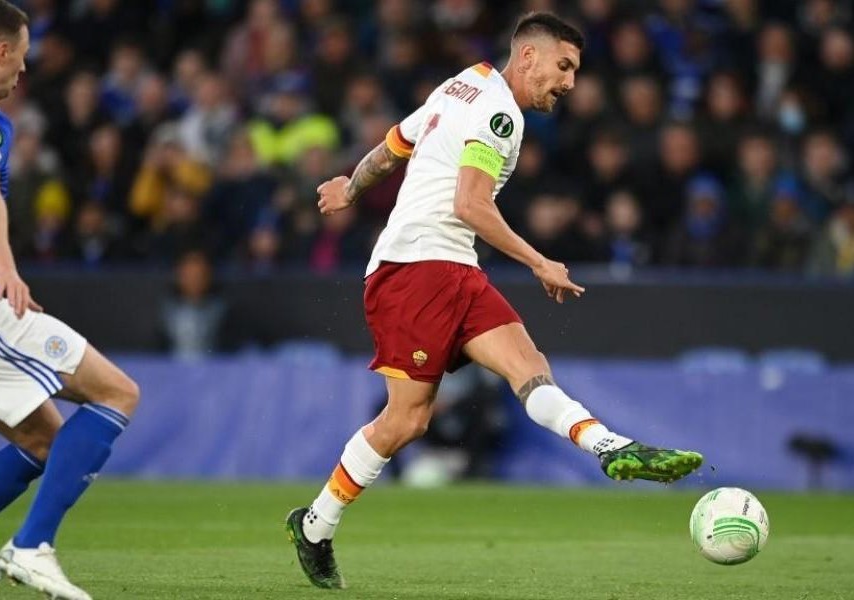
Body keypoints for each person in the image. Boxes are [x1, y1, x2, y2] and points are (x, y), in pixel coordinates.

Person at [285, 11, 703, 590]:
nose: (570, 83)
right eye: (564, 66)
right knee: (407, 420)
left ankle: (613, 448)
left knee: (530, 371)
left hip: (453, 267)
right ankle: (315, 524)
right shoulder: (500, 113)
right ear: (527, 55)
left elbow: (392, 147)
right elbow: (470, 205)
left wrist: (350, 187)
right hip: (414, 269)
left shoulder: (463, 83)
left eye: (576, 71)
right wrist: (540, 262)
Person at [0, 3, 140, 600]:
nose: (25, 67)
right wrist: (6, 270)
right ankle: (32, 547)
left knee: (40, 441)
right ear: (0, 51)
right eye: (23, 52)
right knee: (117, 393)